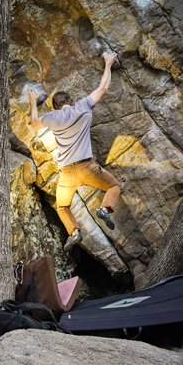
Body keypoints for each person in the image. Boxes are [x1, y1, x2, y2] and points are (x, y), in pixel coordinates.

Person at [28, 52, 123, 250]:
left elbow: (35, 123)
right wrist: (107, 64)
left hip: (66, 174)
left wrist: (32, 101)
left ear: (55, 106)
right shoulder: (83, 106)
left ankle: (74, 232)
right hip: (86, 167)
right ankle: (105, 209)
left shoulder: (52, 117)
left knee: (62, 206)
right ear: (70, 101)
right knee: (114, 186)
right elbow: (103, 87)